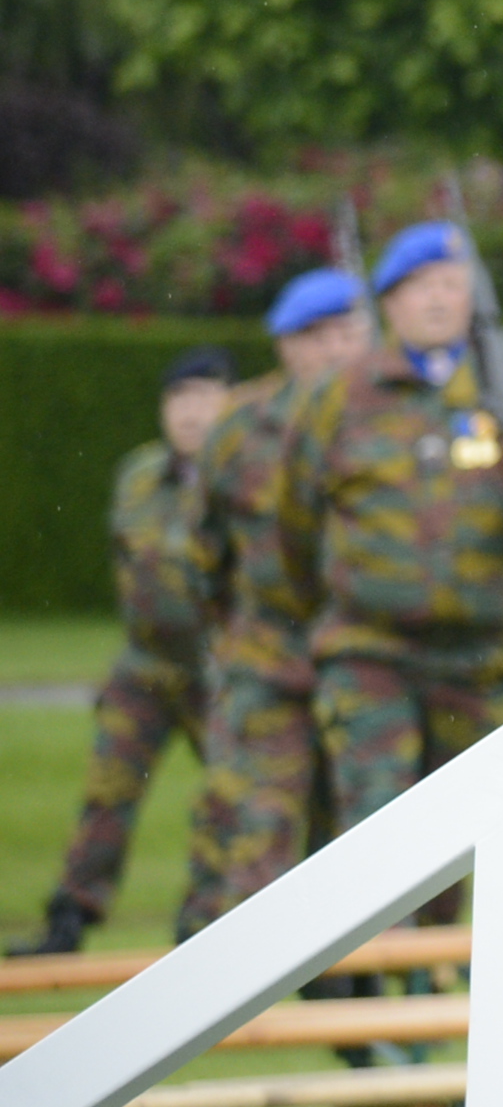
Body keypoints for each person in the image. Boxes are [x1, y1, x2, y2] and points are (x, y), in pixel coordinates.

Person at [279, 224, 503, 903]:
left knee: (461, 842)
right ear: (388, 303)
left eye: (452, 284)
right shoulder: (341, 394)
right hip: (371, 651)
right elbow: (295, 521)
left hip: (479, 658)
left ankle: (429, 988)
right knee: (378, 831)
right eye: (421, 287)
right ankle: (366, 982)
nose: (439, 300)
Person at [11, 350, 234, 954]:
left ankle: (205, 926)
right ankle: (69, 918)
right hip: (144, 667)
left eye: (205, 397)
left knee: (231, 795)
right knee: (108, 789)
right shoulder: (138, 474)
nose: (190, 413)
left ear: (231, 404)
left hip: (223, 672)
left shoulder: (246, 476)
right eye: (178, 399)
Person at [181, 270, 374, 919]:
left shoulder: (389, 412)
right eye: (316, 336)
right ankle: (236, 999)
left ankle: (360, 998)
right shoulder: (241, 427)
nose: (335, 349)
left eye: (348, 332)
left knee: (367, 839)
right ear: (285, 345)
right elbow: (206, 547)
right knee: (261, 826)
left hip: (372, 662)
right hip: (271, 657)